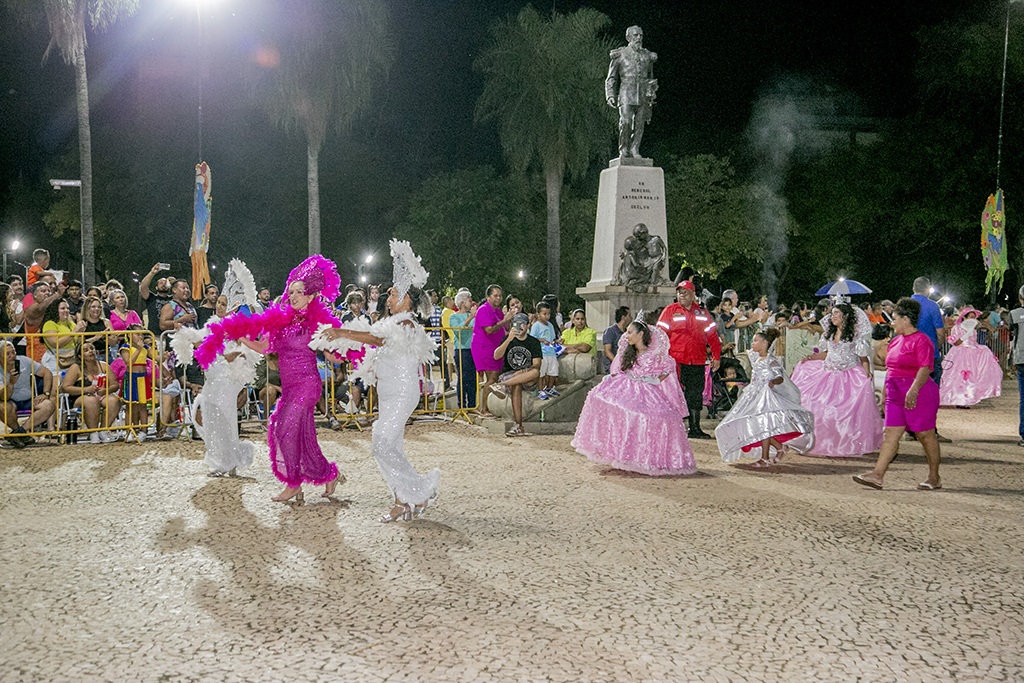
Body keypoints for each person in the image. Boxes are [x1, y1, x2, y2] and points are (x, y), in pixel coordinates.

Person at [195, 255, 345, 503]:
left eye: (300, 292)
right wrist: (241, 336)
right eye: (291, 291)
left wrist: (343, 347)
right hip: (288, 386)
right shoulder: (281, 322)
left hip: (307, 385)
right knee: (300, 435)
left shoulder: (315, 323)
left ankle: (294, 483)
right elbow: (264, 347)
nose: (294, 295)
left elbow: (333, 356)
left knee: (285, 428)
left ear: (309, 297)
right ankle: (328, 474)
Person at [317, 240, 440, 522]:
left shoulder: (407, 323)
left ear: (408, 299)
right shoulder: (393, 322)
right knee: (390, 446)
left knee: (380, 444)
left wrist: (342, 331)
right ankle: (403, 501)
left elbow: (376, 338)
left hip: (402, 393)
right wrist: (341, 349)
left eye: (394, 293)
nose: (388, 297)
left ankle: (417, 489)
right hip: (388, 393)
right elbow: (374, 347)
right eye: (389, 294)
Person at [572, 317, 695, 475]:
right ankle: (622, 453)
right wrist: (612, 377)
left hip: (647, 391)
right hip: (626, 386)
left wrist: (656, 379)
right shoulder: (628, 354)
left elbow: (668, 368)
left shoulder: (653, 355)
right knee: (608, 404)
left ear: (640, 334)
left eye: (630, 332)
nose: (627, 335)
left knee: (657, 417)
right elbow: (621, 371)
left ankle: (644, 458)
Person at [854, 298, 942, 491]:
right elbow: (890, 370)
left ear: (905, 319)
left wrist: (914, 390)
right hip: (895, 393)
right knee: (891, 435)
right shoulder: (895, 342)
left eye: (895, 319)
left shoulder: (922, 341)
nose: (892, 323)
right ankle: (877, 475)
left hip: (918, 393)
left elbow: (925, 368)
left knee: (925, 435)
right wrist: (886, 393)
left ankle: (934, 477)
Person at [790, 302, 884, 458]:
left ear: (845, 316)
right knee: (817, 405)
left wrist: (866, 373)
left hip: (848, 376)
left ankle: (845, 442)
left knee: (844, 412)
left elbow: (863, 358)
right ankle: (821, 441)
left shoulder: (855, 336)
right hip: (827, 374)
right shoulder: (828, 334)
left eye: (836, 313)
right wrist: (811, 358)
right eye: (832, 313)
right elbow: (827, 353)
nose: (832, 316)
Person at [715, 327, 815, 468]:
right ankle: (779, 447)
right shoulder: (756, 358)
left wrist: (772, 382)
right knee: (758, 425)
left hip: (765, 397)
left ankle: (765, 458)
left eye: (756, 341)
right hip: (753, 395)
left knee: (763, 425)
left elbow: (780, 377)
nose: (752, 344)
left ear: (764, 343)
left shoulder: (770, 360)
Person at [657, 281, 721, 439]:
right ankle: (673, 429)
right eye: (679, 292)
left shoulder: (702, 313)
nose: (682, 295)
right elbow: (659, 336)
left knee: (695, 394)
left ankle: (694, 428)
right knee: (673, 394)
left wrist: (716, 357)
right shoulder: (669, 311)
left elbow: (712, 337)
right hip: (675, 362)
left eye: (685, 292)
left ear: (693, 295)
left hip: (697, 361)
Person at [605, 25, 657, 159]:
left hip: (643, 94)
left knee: (640, 124)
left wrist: (651, 91)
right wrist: (610, 94)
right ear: (628, 37)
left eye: (640, 35)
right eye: (635, 35)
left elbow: (650, 76)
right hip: (626, 93)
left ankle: (635, 149)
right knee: (626, 122)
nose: (639, 38)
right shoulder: (620, 55)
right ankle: (624, 149)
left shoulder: (647, 55)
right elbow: (611, 78)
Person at [910, 277, 950, 443]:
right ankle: (929, 429)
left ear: (913, 289)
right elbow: (940, 332)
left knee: (910, 391)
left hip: (908, 354)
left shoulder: (904, 305)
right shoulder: (933, 306)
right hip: (929, 355)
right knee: (930, 394)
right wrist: (937, 347)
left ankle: (910, 430)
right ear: (927, 289)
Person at [939, 307, 1003, 407]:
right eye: (970, 317)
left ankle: (966, 399)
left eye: (974, 317)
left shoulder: (973, 330)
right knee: (958, 377)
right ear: (964, 317)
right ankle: (958, 399)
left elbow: (974, 342)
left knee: (970, 378)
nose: (972, 319)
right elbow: (956, 343)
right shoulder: (957, 328)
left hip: (972, 355)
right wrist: (965, 336)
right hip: (960, 354)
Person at [470, 284, 518, 417]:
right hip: (484, 346)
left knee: (495, 377)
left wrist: (509, 319)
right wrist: (505, 320)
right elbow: (489, 329)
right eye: (495, 295)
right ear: (488, 296)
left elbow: (503, 327)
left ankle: (488, 406)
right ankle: (484, 408)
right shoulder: (483, 310)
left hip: (495, 347)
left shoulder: (496, 310)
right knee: (491, 378)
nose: (498, 298)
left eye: (500, 295)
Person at [491, 312, 541, 437]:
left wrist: (524, 371)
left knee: (535, 372)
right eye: (516, 324)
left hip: (527, 375)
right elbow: (496, 356)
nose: (519, 327)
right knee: (516, 385)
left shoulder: (534, 342)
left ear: (528, 325)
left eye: (522, 324)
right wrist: (509, 339)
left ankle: (501, 385)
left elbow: (537, 365)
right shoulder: (507, 339)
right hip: (509, 374)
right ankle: (518, 425)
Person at [61, 341, 119, 443]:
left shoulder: (103, 366)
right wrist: (85, 389)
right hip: (79, 397)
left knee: (114, 401)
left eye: (91, 349)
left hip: (100, 395)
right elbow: (65, 387)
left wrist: (106, 390)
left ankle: (103, 430)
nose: (90, 351)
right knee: (91, 400)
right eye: (86, 350)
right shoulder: (75, 368)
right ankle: (93, 432)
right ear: (79, 356)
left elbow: (114, 384)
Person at [0, 341, 56, 447]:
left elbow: (47, 373)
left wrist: (46, 393)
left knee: (49, 405)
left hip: (29, 399)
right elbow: (4, 397)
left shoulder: (24, 360)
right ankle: (20, 434)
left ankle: (19, 433)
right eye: (8, 354)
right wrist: (11, 383)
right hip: (10, 400)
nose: (12, 356)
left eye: (13, 352)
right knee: (3, 407)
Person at [121, 325, 154, 441]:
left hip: (143, 377)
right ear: (129, 336)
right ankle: (129, 430)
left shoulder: (145, 347)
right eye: (137, 334)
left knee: (143, 406)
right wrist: (139, 349)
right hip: (131, 377)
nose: (140, 336)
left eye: (141, 334)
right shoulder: (125, 347)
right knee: (130, 406)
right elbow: (128, 362)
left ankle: (144, 431)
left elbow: (156, 358)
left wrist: (163, 357)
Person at [449, 290, 477, 409]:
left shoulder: (474, 316)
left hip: (474, 349)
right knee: (463, 378)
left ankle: (472, 405)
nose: (471, 303)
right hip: (461, 349)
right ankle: (462, 406)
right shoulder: (453, 316)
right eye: (469, 300)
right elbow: (457, 329)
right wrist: (471, 316)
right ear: (462, 302)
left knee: (473, 379)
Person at [41, 298, 81, 375]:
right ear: (55, 310)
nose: (66, 310)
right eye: (63, 308)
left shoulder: (71, 324)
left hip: (72, 357)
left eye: (67, 308)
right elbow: (55, 343)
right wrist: (74, 332)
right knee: (57, 384)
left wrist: (81, 332)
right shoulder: (50, 324)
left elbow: (78, 342)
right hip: (55, 359)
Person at [530, 301, 559, 399]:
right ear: (538, 315)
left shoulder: (550, 325)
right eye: (544, 314)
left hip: (551, 351)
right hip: (542, 352)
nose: (547, 316)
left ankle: (549, 388)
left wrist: (557, 341)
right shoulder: (536, 326)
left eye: (549, 314)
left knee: (553, 371)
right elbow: (532, 338)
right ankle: (541, 390)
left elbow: (552, 338)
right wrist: (542, 340)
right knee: (542, 372)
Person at [139, 263, 173, 338]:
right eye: (161, 283)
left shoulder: (173, 299)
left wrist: (175, 283)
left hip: (170, 336)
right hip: (154, 336)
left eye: (165, 283)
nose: (163, 285)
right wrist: (152, 273)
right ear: (156, 287)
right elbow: (143, 287)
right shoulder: (152, 298)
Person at [79, 296, 114, 362]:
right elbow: (80, 344)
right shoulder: (82, 323)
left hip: (106, 354)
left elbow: (113, 343)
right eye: (93, 307)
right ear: (87, 308)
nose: (97, 309)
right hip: (89, 356)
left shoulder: (106, 322)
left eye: (99, 307)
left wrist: (107, 337)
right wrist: (96, 337)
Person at [602, 306, 632, 373]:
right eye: (629, 315)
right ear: (623, 317)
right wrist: (617, 363)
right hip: (613, 366)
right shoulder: (610, 331)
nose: (631, 318)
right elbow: (607, 351)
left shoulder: (627, 332)